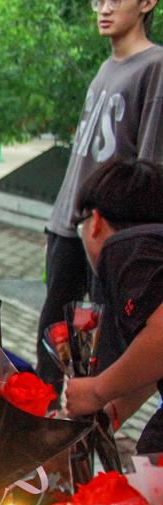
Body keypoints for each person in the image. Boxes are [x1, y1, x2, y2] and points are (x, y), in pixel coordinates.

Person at [38, 0, 163, 395]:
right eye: (98, 1)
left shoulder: (155, 65)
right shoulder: (106, 67)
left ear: (147, 3)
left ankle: (92, 421)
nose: (104, 9)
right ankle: (39, 416)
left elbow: (149, 167)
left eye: (115, 0)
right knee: (52, 335)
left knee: (101, 344)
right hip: (69, 223)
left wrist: (134, 238)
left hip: (111, 231)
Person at [65, 159, 163, 454]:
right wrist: (111, 412)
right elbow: (153, 359)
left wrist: (97, 390)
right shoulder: (153, 247)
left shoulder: (126, 248)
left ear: (95, 221)